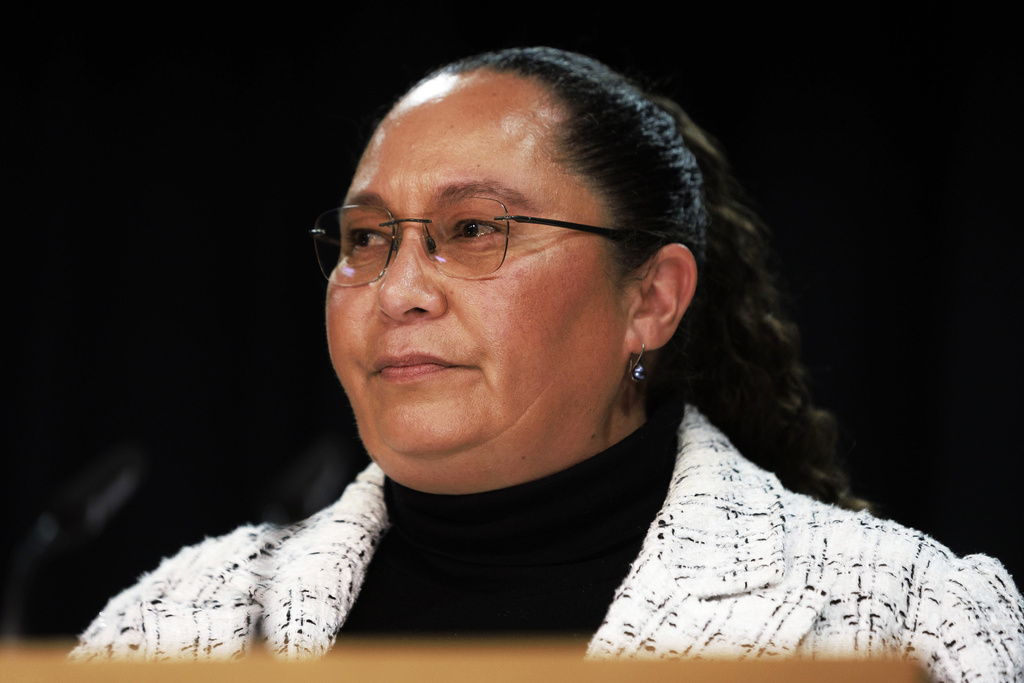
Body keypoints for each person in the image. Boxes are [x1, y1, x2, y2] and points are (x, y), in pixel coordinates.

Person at [71, 47, 1023, 680]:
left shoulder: (901, 621)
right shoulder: (180, 623)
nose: (398, 287)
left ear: (650, 299)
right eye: (365, 239)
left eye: (473, 229)